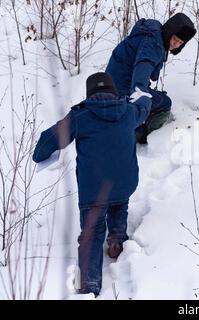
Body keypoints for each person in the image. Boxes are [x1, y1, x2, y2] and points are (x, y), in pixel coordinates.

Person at [32, 72, 152, 296]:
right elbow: (144, 106)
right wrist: (144, 95)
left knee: (92, 233)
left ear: (90, 94)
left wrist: (39, 155)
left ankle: (89, 284)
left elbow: (49, 140)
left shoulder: (80, 117)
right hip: (125, 183)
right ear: (113, 91)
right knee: (119, 204)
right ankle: (117, 238)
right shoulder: (129, 111)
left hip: (94, 192)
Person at [106, 12, 197, 144]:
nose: (176, 44)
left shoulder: (153, 33)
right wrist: (141, 96)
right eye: (175, 39)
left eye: (180, 42)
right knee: (165, 103)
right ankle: (136, 133)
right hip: (122, 90)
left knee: (155, 98)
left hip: (112, 84)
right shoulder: (154, 45)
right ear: (170, 31)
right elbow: (142, 71)